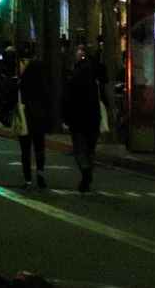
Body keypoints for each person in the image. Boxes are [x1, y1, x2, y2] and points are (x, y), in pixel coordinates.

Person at [62, 49, 109, 192]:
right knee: (90, 150)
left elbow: (67, 100)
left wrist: (66, 117)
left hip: (78, 119)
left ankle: (85, 170)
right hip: (93, 118)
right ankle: (87, 173)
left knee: (79, 149)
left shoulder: (74, 78)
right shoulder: (95, 80)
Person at [13, 54, 52, 189]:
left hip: (25, 119)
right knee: (39, 148)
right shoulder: (44, 85)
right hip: (39, 119)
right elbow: (49, 102)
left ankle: (27, 179)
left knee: (25, 150)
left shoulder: (23, 83)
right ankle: (40, 174)